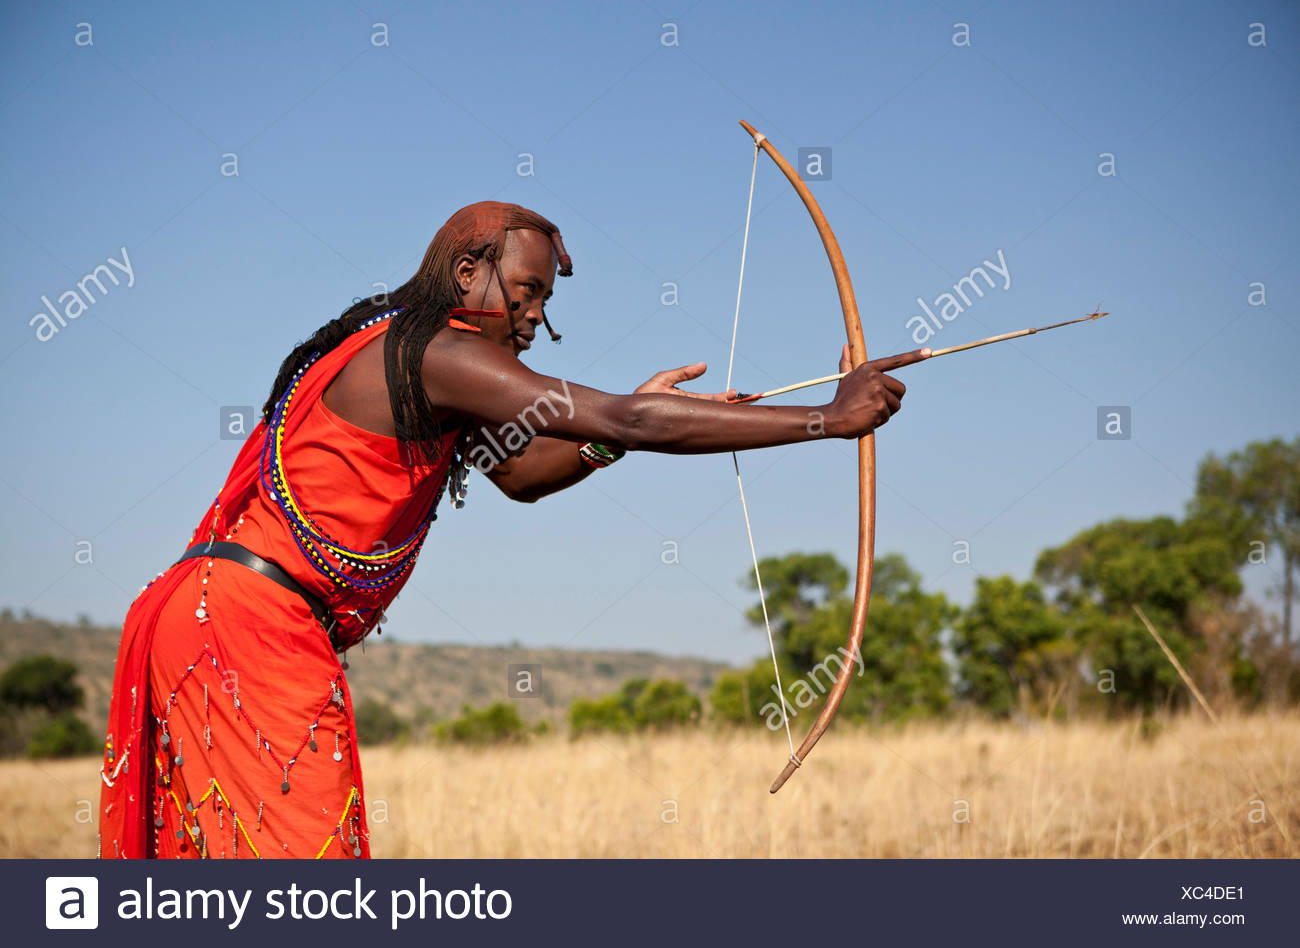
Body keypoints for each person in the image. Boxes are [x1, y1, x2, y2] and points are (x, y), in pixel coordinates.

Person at [97, 201, 912, 859]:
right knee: (305, 878)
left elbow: (525, 474)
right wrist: (828, 420)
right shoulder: (437, 354)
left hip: (236, 621)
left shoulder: (433, 373)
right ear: (467, 273)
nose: (534, 317)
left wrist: (619, 436)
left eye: (546, 301)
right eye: (525, 291)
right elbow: (627, 413)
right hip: (241, 626)